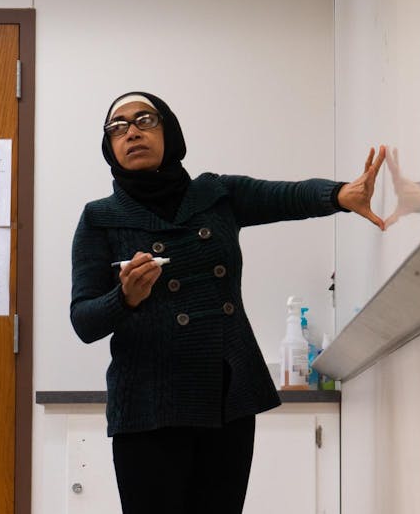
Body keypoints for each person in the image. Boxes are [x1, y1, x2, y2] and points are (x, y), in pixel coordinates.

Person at [71, 91, 386, 514]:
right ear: (109, 146)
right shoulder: (99, 217)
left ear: (170, 130)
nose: (131, 131)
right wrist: (124, 298)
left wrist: (341, 195)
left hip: (225, 395)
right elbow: (83, 321)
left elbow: (286, 196)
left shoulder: (216, 194)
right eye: (117, 126)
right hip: (148, 405)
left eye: (145, 119)